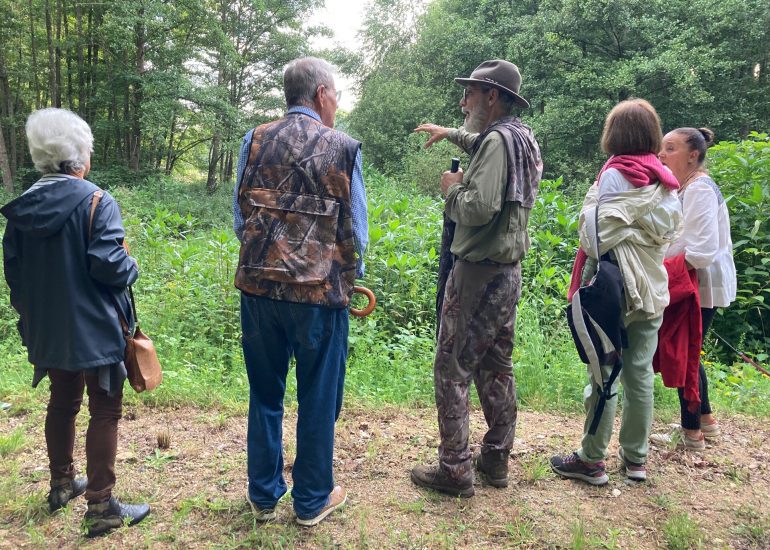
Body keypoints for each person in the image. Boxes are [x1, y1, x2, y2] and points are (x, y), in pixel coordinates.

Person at [1, 108, 150, 536]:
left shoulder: (22, 210)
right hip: (96, 328)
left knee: (62, 402)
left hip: (48, 328)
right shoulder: (96, 201)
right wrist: (132, 263)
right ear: (79, 157)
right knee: (105, 408)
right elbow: (110, 267)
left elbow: (15, 275)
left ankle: (62, 484)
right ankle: (101, 507)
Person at [232, 57, 368, 526]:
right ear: (322, 94)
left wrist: (272, 263)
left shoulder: (254, 139)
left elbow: (240, 219)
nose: (337, 104)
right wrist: (348, 280)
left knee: (265, 393)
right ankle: (311, 501)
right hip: (319, 298)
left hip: (258, 291)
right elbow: (359, 233)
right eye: (337, 95)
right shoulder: (344, 147)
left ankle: (264, 496)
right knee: (318, 396)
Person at [410, 60, 542, 497]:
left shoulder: (498, 144)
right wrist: (450, 133)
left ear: (492, 96)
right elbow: (483, 145)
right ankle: (496, 458)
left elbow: (477, 208)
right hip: (507, 274)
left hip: (477, 274)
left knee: (451, 367)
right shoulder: (521, 138)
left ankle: (454, 469)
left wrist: (451, 187)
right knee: (497, 365)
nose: (463, 100)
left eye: (470, 93)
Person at [551, 99, 682, 485]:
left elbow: (594, 235)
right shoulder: (666, 182)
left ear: (613, 135)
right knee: (640, 374)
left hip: (613, 288)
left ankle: (591, 460)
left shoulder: (612, 176)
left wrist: (606, 211)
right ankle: (636, 460)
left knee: (603, 371)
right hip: (652, 286)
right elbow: (667, 236)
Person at [651, 127, 737, 450]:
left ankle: (691, 436)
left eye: (670, 148)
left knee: (684, 352)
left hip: (699, 283)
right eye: (662, 149)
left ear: (693, 156)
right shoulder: (686, 188)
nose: (662, 155)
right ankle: (705, 421)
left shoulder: (699, 188)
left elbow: (701, 250)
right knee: (690, 352)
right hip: (696, 282)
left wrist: (661, 268)